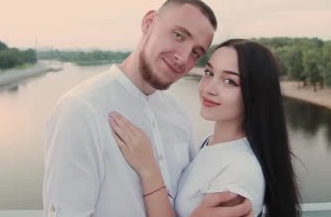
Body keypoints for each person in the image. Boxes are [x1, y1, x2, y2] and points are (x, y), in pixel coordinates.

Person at [42, 0, 252, 217]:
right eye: (179, 35)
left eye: (196, 53)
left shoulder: (178, 114)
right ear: (149, 22)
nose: (183, 58)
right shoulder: (81, 109)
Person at [109, 39, 301, 217]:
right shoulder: (210, 142)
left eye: (229, 81)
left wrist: (149, 168)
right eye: (209, 73)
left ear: (256, 94)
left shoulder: (239, 175)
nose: (208, 88)